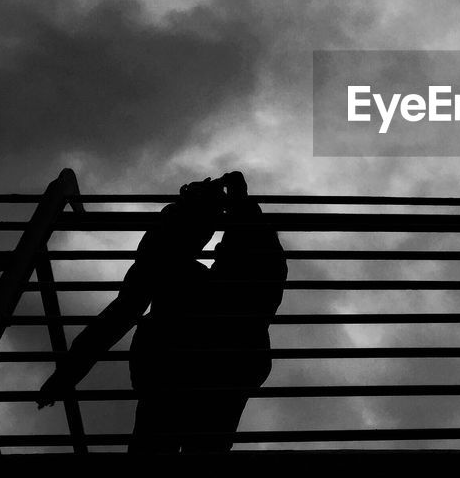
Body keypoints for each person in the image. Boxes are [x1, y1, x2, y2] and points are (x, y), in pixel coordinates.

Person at [37, 171, 286, 453]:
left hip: (173, 379)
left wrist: (67, 373)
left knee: (155, 457)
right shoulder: (232, 293)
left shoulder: (181, 278)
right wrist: (240, 204)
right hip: (212, 380)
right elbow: (265, 263)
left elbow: (123, 312)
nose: (215, 244)